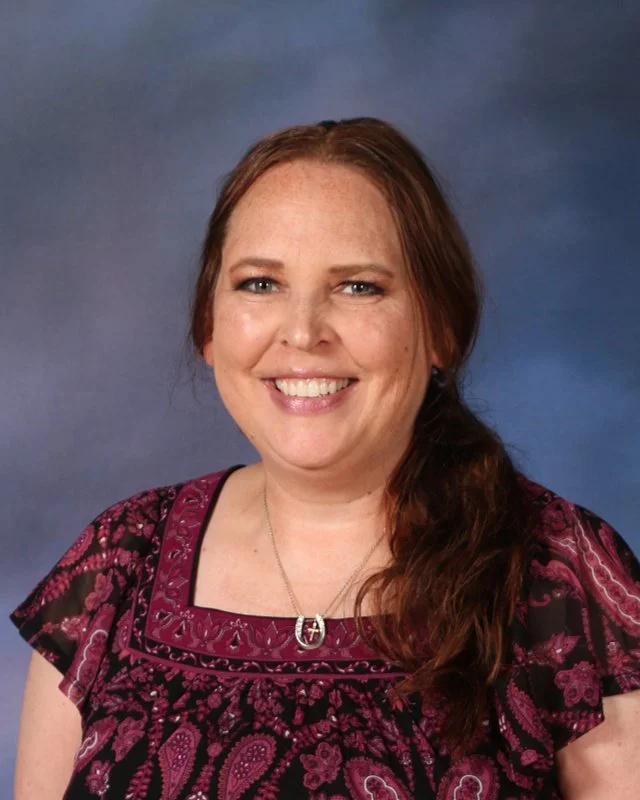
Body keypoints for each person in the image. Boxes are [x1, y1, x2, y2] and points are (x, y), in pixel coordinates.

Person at [11, 117, 640, 800]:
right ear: (209, 327)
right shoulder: (114, 568)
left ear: (442, 329)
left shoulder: (566, 576)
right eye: (259, 284)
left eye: (358, 286)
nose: (304, 332)